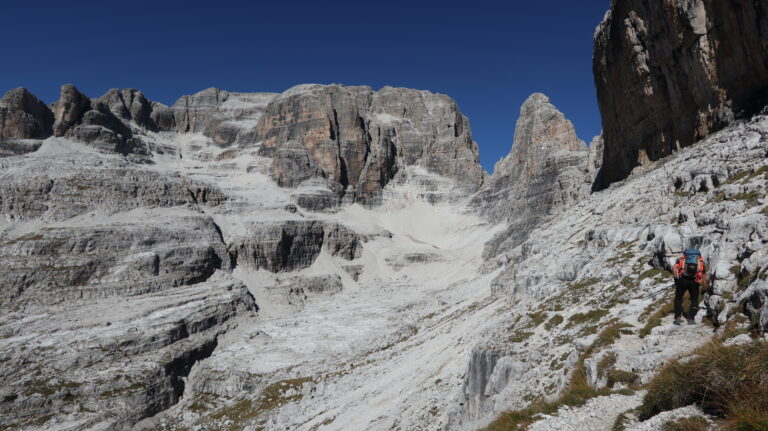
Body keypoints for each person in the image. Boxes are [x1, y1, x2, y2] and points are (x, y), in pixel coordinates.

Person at [671, 249, 708, 325]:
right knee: (694, 299)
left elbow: (674, 268)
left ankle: (677, 317)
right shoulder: (700, 261)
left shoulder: (682, 260)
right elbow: (703, 274)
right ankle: (691, 318)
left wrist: (676, 280)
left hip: (682, 280)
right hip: (694, 281)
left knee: (678, 298)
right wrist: (705, 286)